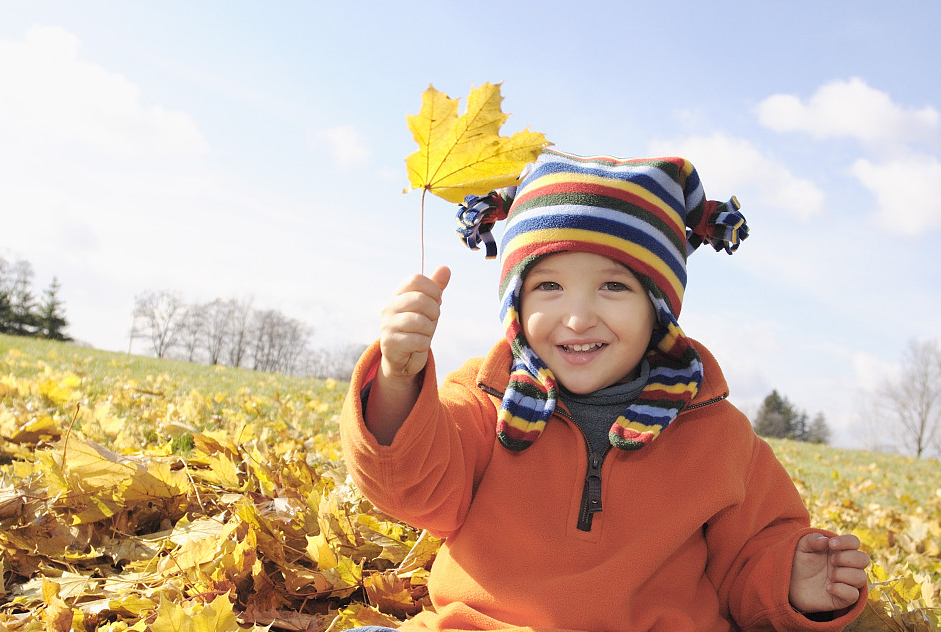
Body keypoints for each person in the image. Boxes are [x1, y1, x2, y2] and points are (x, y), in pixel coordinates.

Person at [340, 149, 870, 631]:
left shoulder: (715, 434)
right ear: (516, 305)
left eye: (613, 286)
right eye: (548, 286)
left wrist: (791, 580)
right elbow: (411, 483)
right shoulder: (486, 397)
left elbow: (750, 557)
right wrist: (397, 379)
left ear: (659, 310)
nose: (576, 317)